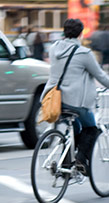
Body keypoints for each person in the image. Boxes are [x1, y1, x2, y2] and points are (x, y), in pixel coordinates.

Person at [41, 18, 109, 175]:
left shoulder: (54, 48)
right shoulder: (84, 53)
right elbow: (101, 76)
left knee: (76, 128)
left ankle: (67, 164)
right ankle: (80, 161)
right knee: (91, 128)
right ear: (80, 34)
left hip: (55, 100)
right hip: (75, 101)